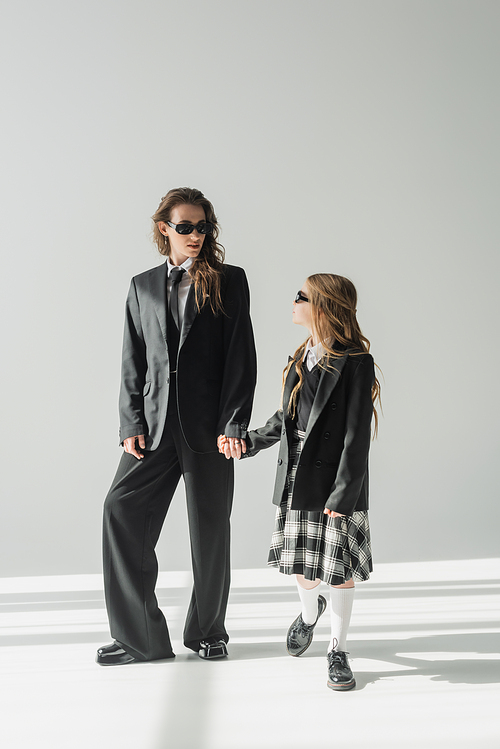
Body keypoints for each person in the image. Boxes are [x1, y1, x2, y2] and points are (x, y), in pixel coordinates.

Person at [97, 187, 257, 666]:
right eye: (185, 227)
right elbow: (133, 360)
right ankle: (140, 637)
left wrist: (234, 422)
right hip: (153, 426)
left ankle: (209, 632)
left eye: (202, 227)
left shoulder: (229, 280)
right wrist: (131, 421)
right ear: (164, 227)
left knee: (210, 530)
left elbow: (240, 359)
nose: (195, 235)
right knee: (119, 510)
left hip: (210, 429)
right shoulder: (142, 285)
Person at [220, 273, 380, 690]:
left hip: (339, 476)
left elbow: (357, 433)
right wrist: (248, 442)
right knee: (304, 566)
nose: (293, 302)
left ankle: (337, 650)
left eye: (301, 297)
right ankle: (310, 613)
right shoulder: (298, 359)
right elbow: (286, 421)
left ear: (322, 307)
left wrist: (344, 493)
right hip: (296, 473)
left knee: (338, 567)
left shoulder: (356, 360)